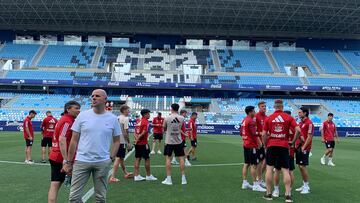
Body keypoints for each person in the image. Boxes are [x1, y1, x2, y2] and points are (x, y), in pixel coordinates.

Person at [63, 89, 121, 203]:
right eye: (92, 96)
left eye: (97, 96)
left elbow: (117, 141)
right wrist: (69, 162)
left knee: (100, 198)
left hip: (102, 162)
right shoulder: (82, 116)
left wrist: (111, 158)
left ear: (105, 100)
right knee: (74, 198)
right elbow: (74, 140)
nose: (93, 97)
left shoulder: (113, 118)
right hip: (81, 161)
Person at [262, 100, 300, 203]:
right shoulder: (289, 117)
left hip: (271, 145)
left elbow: (264, 134)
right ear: (282, 107)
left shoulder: (268, 118)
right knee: (285, 170)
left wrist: (265, 145)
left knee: (269, 169)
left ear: (274, 107)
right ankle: (288, 195)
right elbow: (298, 130)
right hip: (284, 146)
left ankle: (269, 194)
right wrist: (292, 141)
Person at [48, 101, 81, 203]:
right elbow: (62, 139)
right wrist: (66, 160)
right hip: (61, 157)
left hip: (55, 155)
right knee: (73, 185)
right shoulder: (67, 121)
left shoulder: (65, 119)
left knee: (55, 184)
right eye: (76, 108)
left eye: (79, 108)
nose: (78, 110)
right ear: (68, 109)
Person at [240, 106, 266, 192]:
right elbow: (254, 133)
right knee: (254, 165)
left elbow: (241, 133)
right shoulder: (251, 121)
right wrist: (260, 136)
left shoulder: (244, 120)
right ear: (250, 112)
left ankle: (244, 182)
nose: (255, 112)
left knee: (246, 163)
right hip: (251, 145)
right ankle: (255, 185)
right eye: (254, 111)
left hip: (246, 144)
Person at [272, 110, 297, 198]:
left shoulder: (281, 124)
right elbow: (299, 133)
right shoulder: (294, 125)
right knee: (290, 171)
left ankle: (276, 189)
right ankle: (288, 190)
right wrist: (293, 142)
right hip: (290, 151)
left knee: (278, 170)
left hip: (280, 150)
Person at [162, 103, 187, 185]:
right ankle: (183, 179)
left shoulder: (167, 118)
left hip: (169, 141)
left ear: (171, 108)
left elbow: (164, 128)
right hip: (178, 141)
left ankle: (169, 179)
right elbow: (179, 128)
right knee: (181, 158)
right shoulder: (182, 118)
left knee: (168, 159)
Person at [109, 105, 134, 183]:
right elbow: (125, 132)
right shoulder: (125, 118)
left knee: (121, 158)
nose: (129, 112)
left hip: (115, 139)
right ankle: (112, 177)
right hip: (121, 141)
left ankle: (125, 173)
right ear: (124, 110)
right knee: (118, 158)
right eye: (128, 110)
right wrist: (128, 142)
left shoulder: (118, 117)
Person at [133, 109, 157, 181]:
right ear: (145, 114)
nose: (149, 115)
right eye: (148, 114)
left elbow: (135, 132)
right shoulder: (145, 122)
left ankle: (136, 176)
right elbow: (144, 132)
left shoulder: (138, 121)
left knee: (137, 158)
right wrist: (138, 138)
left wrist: (136, 139)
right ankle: (148, 175)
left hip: (137, 144)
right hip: (143, 143)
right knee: (147, 159)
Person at [295, 107, 314, 195]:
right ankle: (304, 184)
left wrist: (304, 147)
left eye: (300, 112)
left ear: (305, 113)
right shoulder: (301, 123)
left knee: (303, 166)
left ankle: (306, 186)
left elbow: (309, 137)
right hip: (299, 147)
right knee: (300, 166)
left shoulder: (309, 123)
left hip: (304, 148)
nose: (299, 114)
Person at [254, 101, 267, 188]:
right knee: (259, 162)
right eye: (262, 106)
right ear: (259, 107)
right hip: (259, 143)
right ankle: (258, 180)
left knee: (265, 162)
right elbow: (254, 131)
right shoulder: (256, 116)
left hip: (265, 142)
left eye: (265, 106)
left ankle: (260, 178)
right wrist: (259, 140)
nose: (264, 107)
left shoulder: (267, 117)